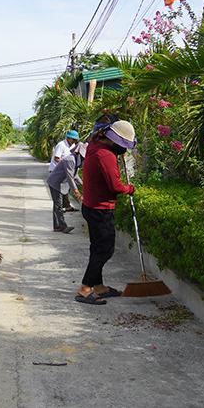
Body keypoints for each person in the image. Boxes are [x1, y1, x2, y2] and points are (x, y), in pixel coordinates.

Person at [75, 120, 137, 305]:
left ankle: (99, 286)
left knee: (97, 248)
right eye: (122, 146)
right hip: (100, 209)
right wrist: (129, 188)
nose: (123, 150)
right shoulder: (106, 155)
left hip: (91, 206)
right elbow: (115, 186)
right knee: (105, 250)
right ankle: (85, 289)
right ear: (113, 141)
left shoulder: (95, 145)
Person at [47, 142, 86, 234]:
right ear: (78, 154)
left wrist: (84, 185)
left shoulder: (76, 161)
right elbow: (70, 177)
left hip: (60, 183)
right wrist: (77, 192)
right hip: (55, 183)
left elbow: (75, 176)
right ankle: (62, 226)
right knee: (58, 205)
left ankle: (57, 226)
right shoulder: (70, 160)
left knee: (57, 205)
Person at [51, 130, 80, 212]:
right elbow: (56, 158)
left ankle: (67, 206)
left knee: (66, 189)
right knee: (60, 191)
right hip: (57, 171)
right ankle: (59, 209)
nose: (74, 141)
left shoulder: (73, 145)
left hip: (65, 171)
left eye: (75, 140)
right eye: (73, 139)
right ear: (68, 138)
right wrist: (66, 165)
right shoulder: (61, 145)